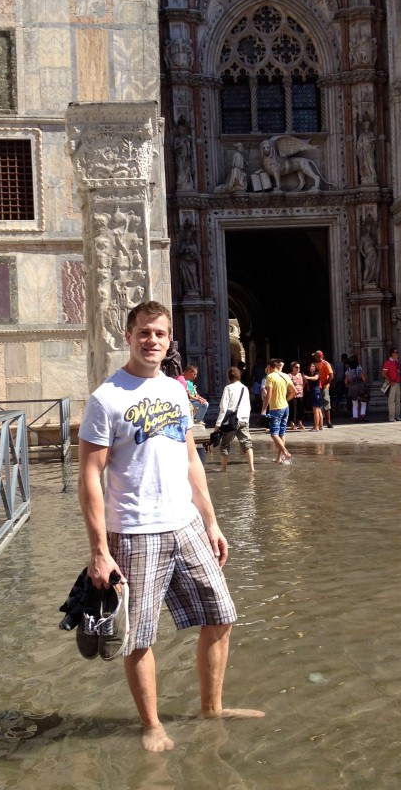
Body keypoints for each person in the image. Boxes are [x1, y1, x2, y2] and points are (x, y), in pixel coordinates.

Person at [78, 300, 264, 753]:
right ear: (128, 336)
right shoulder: (106, 398)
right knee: (139, 636)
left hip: (186, 525)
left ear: (169, 341)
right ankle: (151, 725)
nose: (152, 341)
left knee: (221, 616)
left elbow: (190, 462)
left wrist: (212, 522)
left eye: (160, 334)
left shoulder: (176, 392)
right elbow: (89, 478)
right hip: (135, 531)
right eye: (144, 332)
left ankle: (211, 708)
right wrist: (99, 551)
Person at [214, 366, 254, 473]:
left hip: (231, 422)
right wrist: (247, 420)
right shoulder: (244, 388)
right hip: (244, 420)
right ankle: (252, 469)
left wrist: (218, 424)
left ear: (229, 377)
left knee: (225, 445)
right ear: (239, 376)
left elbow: (223, 408)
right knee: (247, 444)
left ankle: (223, 470)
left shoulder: (228, 388)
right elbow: (248, 406)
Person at [261, 357, 295, 463]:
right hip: (285, 407)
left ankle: (285, 452)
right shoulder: (285, 376)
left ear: (269, 366)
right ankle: (279, 458)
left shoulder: (270, 377)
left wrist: (263, 409)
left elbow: (269, 395)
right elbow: (294, 391)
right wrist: (286, 400)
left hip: (275, 408)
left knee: (274, 433)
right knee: (282, 433)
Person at [344, 355, 368, 421]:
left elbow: (346, 381)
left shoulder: (348, 370)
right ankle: (362, 415)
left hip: (352, 387)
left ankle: (355, 416)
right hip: (360, 385)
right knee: (363, 401)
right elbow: (363, 378)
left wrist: (347, 385)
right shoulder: (359, 368)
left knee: (354, 403)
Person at [314, 351, 334, 428]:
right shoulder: (316, 364)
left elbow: (331, 375)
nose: (315, 358)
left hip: (324, 387)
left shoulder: (326, 364)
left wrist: (325, 384)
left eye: (315, 356)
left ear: (319, 357)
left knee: (326, 403)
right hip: (317, 386)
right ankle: (319, 422)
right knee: (318, 404)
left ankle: (328, 422)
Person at [382, 347, 401, 421]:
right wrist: (390, 381)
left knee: (398, 400)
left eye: (397, 352)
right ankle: (391, 417)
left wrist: (399, 372)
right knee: (391, 400)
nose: (397, 354)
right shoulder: (388, 362)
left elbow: (399, 373)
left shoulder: (398, 362)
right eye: (396, 352)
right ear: (392, 353)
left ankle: (397, 416)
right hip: (392, 384)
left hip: (397, 383)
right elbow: (383, 373)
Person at [304, 360, 323, 430]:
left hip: (316, 392)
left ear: (315, 367)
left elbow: (316, 378)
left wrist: (308, 377)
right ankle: (320, 426)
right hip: (314, 392)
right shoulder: (311, 374)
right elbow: (307, 383)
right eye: (310, 366)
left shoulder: (316, 373)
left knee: (316, 410)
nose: (311, 367)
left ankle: (316, 426)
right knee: (318, 410)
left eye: (313, 366)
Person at [288, 360, 305, 430]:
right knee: (293, 409)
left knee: (300, 409)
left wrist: (301, 388)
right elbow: (288, 385)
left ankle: (300, 423)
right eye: (296, 367)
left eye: (299, 367)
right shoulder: (289, 375)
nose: (298, 368)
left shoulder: (300, 375)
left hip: (300, 394)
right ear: (292, 367)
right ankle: (292, 423)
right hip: (293, 395)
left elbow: (304, 382)